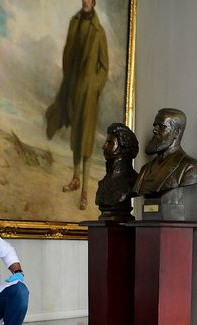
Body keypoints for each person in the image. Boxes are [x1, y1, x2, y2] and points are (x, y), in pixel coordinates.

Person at [45, 0, 108, 211]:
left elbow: (104, 66)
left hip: (88, 95)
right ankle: (75, 178)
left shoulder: (98, 32)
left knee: (86, 140)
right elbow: (68, 51)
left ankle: (84, 193)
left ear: (94, 2)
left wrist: (94, 85)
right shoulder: (75, 22)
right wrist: (69, 78)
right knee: (75, 136)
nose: (86, 2)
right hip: (73, 89)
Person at [132, 108, 197, 197]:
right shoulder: (145, 170)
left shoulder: (190, 167)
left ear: (176, 132)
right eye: (155, 126)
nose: (154, 130)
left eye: (161, 126)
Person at [95, 121, 138, 221]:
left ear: (123, 148)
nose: (104, 146)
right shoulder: (104, 181)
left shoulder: (134, 181)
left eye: (110, 143)